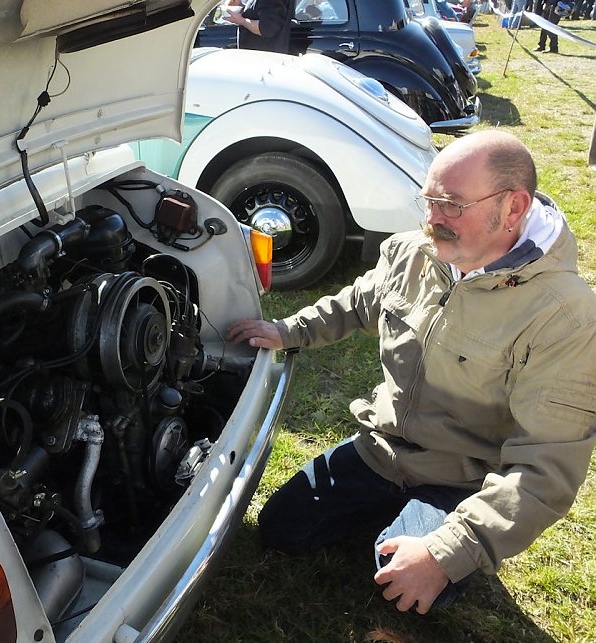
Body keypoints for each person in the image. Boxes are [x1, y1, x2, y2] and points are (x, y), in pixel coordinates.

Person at [228, 130, 596, 614]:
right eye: (429, 199)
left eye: (451, 204)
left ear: (513, 208)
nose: (432, 218)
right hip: (380, 450)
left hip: (462, 478)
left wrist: (448, 552)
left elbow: (547, 468)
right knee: (279, 530)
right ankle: (396, 518)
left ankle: (433, 533)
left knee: (402, 591)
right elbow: (359, 301)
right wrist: (287, 330)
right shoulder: (412, 251)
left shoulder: (566, 316)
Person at [220, 0, 296, 54]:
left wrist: (242, 21)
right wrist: (239, 7)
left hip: (264, 60)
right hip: (260, 58)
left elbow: (267, 28)